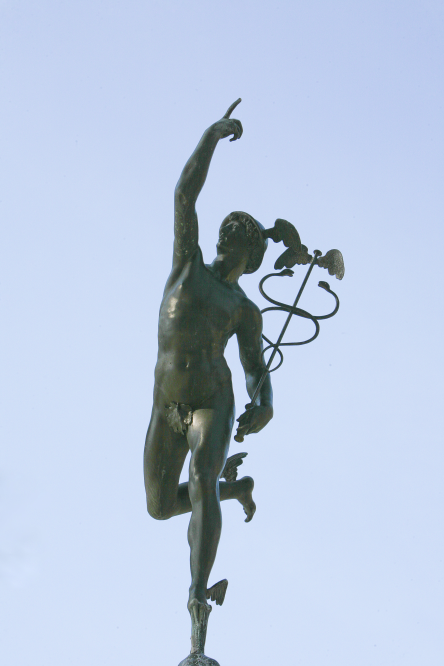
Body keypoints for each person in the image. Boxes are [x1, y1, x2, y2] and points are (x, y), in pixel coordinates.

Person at [143, 100, 273, 654]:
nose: (233, 244)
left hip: (209, 404)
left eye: (240, 241)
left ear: (247, 250)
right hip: (165, 405)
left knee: (199, 482)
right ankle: (234, 489)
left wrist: (263, 404)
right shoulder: (187, 264)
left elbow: (255, 370)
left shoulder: (244, 309)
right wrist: (210, 136)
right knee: (157, 504)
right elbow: (182, 195)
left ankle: (197, 596)